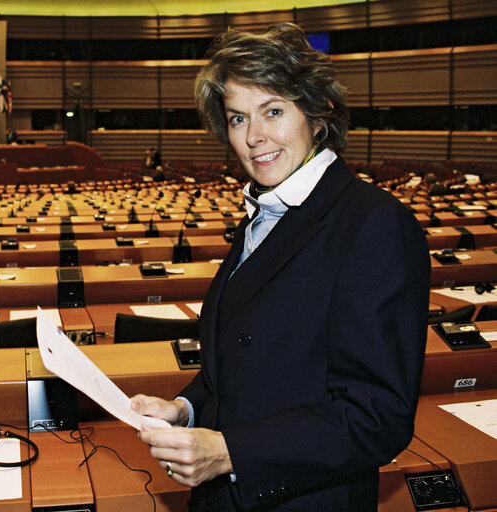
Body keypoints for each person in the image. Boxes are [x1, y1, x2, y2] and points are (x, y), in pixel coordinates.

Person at [130, 23, 430, 512]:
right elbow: (251, 366)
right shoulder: (264, 213)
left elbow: (378, 416)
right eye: (236, 119)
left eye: (273, 111)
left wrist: (231, 452)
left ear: (316, 112)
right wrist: (186, 409)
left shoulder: (374, 222)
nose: (254, 138)